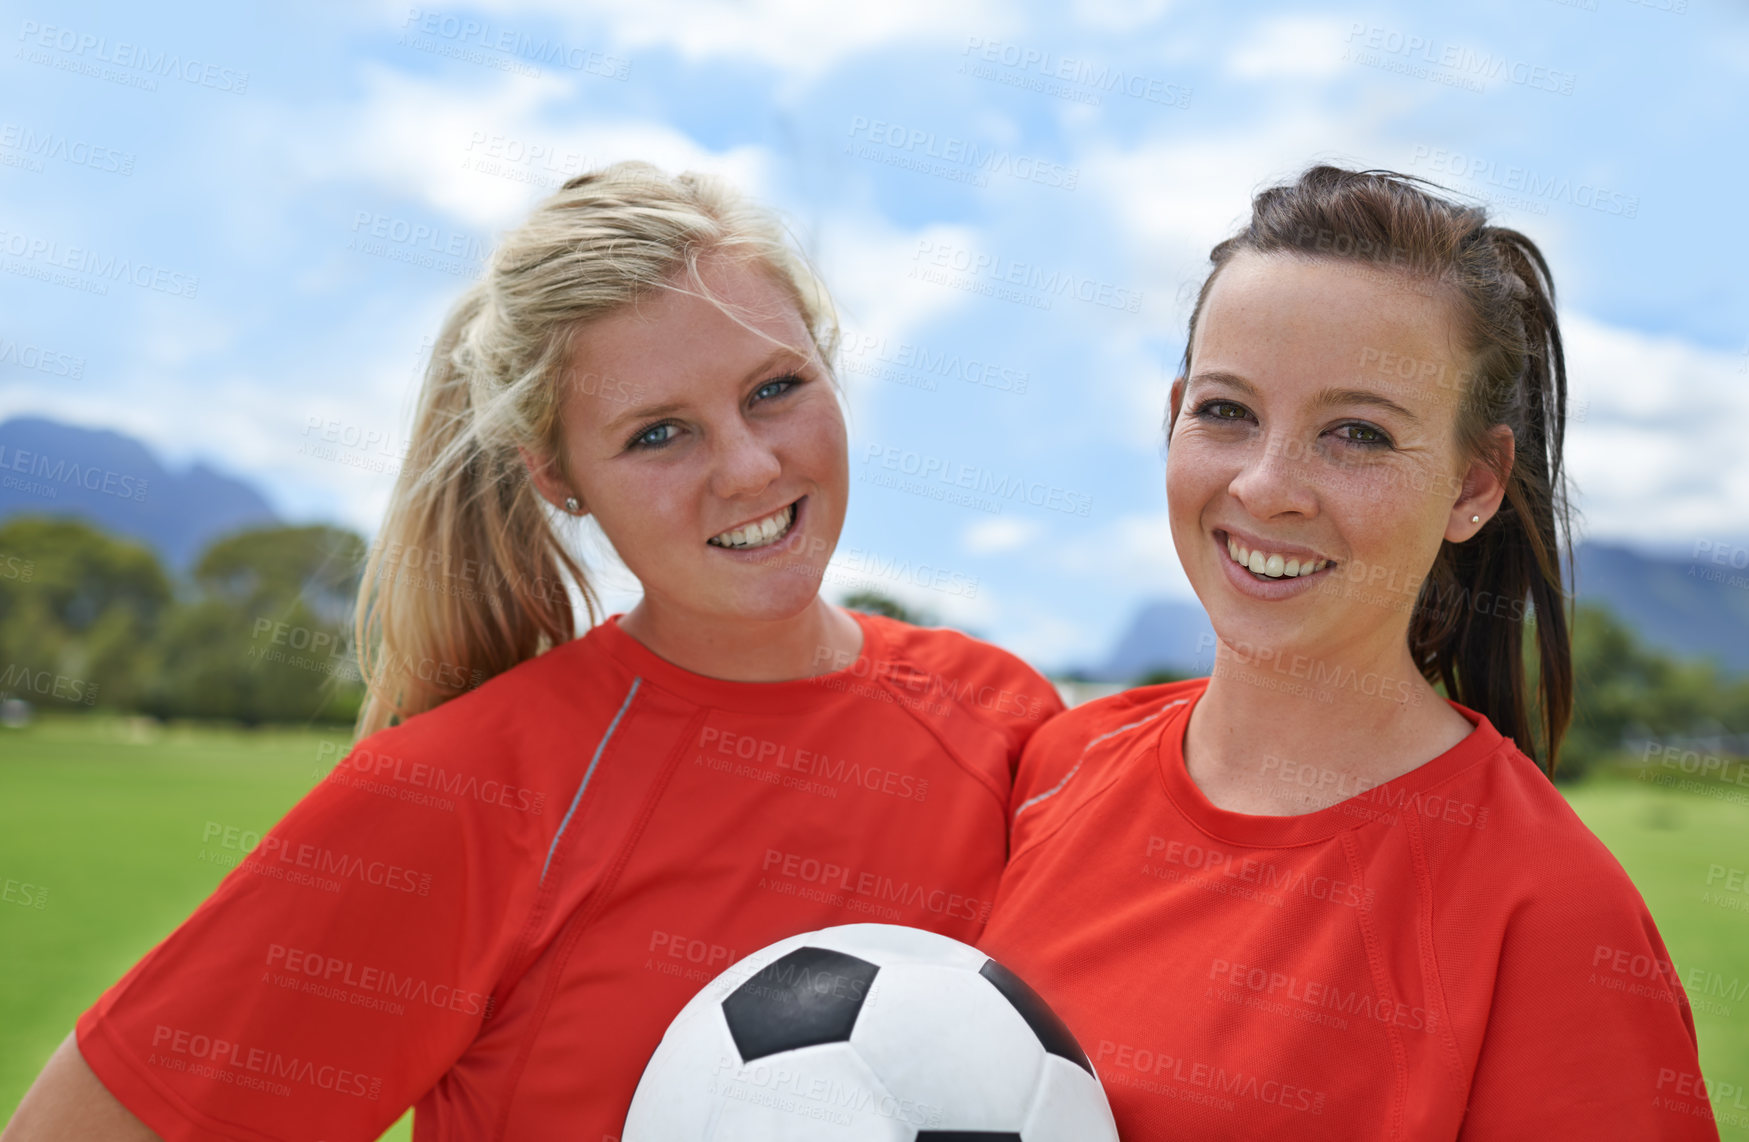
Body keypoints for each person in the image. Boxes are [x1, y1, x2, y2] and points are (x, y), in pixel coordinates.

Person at [4, 161, 1063, 1142]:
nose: (747, 465)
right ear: (557, 478)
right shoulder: (463, 797)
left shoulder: (1007, 722)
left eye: (775, 387)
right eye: (658, 433)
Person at [977, 165, 1720, 1140]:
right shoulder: (1055, 768)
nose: (1267, 484)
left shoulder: (1551, 913)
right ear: (1173, 414)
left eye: (1357, 433)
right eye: (1227, 410)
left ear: (1474, 484)